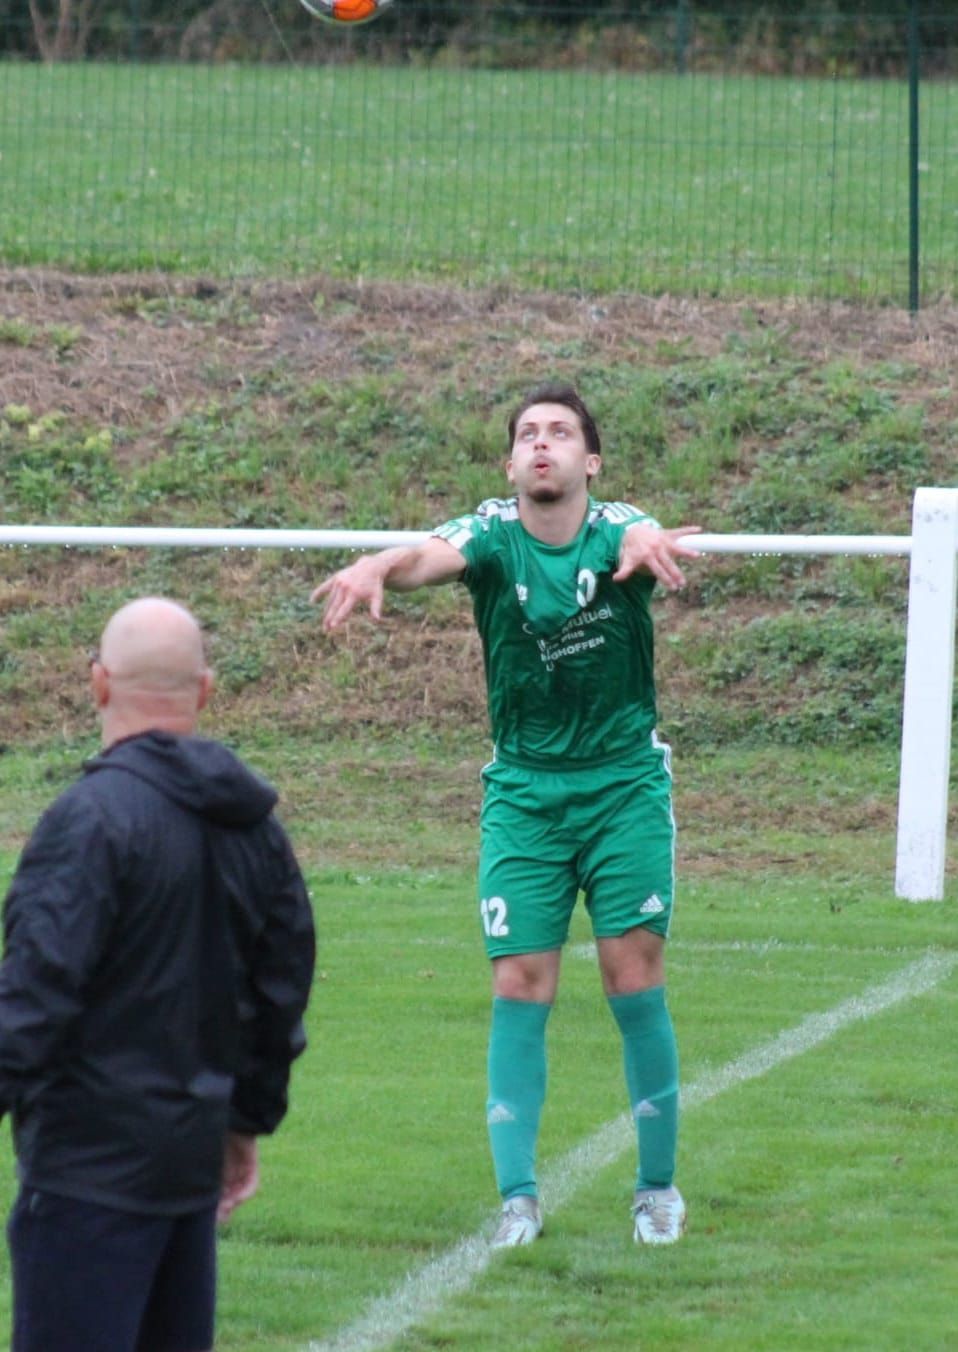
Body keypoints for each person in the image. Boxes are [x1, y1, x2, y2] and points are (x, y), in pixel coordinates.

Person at [314, 382, 700, 1249]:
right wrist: (377, 566)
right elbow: (426, 558)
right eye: (528, 433)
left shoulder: (619, 529)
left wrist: (647, 540)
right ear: (510, 462)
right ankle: (518, 1201)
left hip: (623, 786)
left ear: (589, 461)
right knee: (519, 982)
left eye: (561, 433)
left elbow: (642, 533)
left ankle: (657, 1191)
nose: (543, 444)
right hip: (525, 792)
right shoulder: (490, 534)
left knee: (631, 977)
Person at [0, 597, 315, 1351]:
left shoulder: (89, 823)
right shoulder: (256, 831)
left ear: (98, 683)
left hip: (87, 1180)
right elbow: (280, 991)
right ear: (205, 691)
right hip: (186, 1170)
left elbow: (32, 1004)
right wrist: (244, 1122)